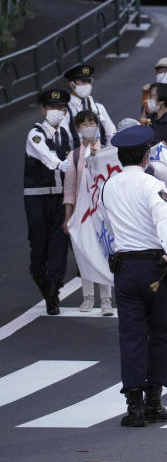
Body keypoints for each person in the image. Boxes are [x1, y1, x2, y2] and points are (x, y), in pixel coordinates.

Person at [98, 125, 167, 427]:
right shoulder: (151, 185)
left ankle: (133, 405)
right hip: (156, 267)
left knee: (131, 335)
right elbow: (165, 223)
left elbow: (107, 221)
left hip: (125, 267)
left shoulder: (108, 186)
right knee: (160, 333)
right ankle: (154, 401)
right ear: (147, 155)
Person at [24, 89, 72, 315]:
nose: (57, 112)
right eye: (52, 108)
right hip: (38, 196)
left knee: (58, 244)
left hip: (60, 196)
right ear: (43, 110)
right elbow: (43, 153)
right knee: (39, 244)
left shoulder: (66, 134)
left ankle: (53, 292)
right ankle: (40, 275)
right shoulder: (36, 133)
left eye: (61, 108)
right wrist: (60, 164)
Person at [62, 109, 113, 315]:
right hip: (82, 214)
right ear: (77, 128)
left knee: (104, 253)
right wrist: (68, 217)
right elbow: (69, 189)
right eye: (84, 124)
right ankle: (88, 297)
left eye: (92, 122)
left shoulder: (107, 152)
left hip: (102, 213)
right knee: (85, 253)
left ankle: (107, 300)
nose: (89, 126)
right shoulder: (74, 156)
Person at [64, 64, 116, 146]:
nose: (87, 85)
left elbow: (111, 133)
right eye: (83, 81)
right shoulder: (64, 110)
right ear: (72, 84)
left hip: (100, 153)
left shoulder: (97, 106)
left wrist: (108, 153)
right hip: (76, 155)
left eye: (89, 81)